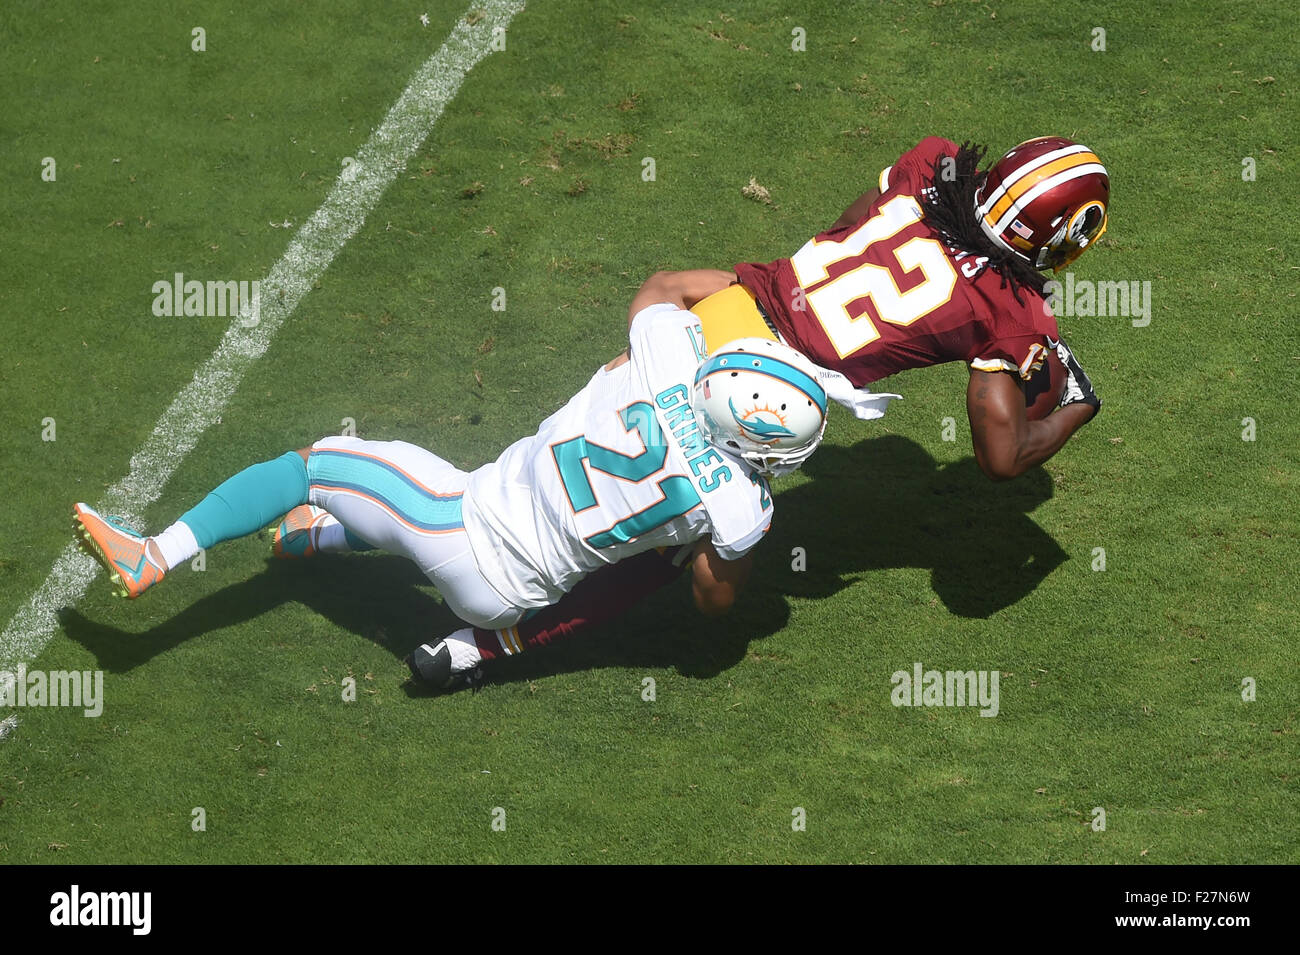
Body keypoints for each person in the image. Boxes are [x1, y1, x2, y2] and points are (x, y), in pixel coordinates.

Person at [435, 135, 1113, 674]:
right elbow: (1002, 456)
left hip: (736, 303)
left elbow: (845, 228)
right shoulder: (1013, 311)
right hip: (770, 388)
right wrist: (1076, 402)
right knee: (677, 532)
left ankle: (411, 507)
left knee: (629, 359)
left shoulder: (929, 165)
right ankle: (483, 645)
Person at [72, 272, 829, 690]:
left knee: (307, 464)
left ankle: (154, 556)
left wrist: (741, 289)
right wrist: (726, 537)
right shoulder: (740, 508)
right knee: (653, 548)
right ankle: (325, 539)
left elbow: (666, 286)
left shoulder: (663, 351)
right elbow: (713, 599)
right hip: (516, 597)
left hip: (459, 521)